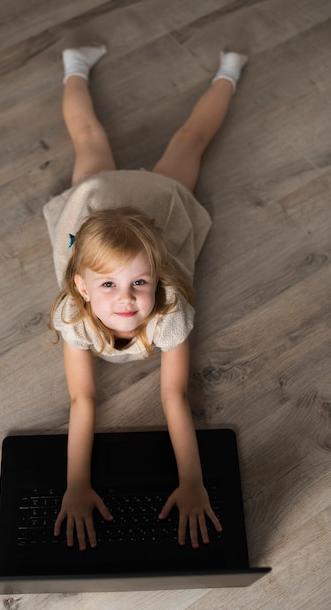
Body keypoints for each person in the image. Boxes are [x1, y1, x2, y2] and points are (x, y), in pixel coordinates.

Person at [43, 44, 247, 551]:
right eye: (108, 286)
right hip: (98, 201)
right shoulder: (75, 314)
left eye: (139, 283)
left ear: (156, 278)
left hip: (153, 208)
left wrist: (193, 482)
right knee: (88, 137)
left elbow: (173, 395)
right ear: (83, 288)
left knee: (191, 139)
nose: (127, 300)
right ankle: (74, 64)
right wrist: (76, 485)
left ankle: (229, 69)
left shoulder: (169, 310)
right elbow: (82, 397)